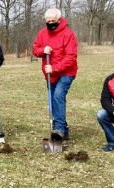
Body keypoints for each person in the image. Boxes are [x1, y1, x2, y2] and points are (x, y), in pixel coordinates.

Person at [32, 8, 78, 140]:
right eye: (48, 21)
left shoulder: (68, 34)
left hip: (66, 72)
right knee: (53, 100)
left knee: (58, 96)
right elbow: (35, 50)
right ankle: (63, 128)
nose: (51, 23)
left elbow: (71, 57)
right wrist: (42, 50)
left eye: (53, 21)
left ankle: (58, 128)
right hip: (49, 75)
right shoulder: (42, 34)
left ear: (59, 20)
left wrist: (54, 68)